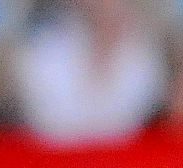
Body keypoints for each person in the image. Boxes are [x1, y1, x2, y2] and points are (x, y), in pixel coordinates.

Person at [11, 0, 169, 142]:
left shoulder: (144, 51)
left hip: (124, 159)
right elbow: (49, 121)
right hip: (56, 158)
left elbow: (137, 116)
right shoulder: (44, 48)